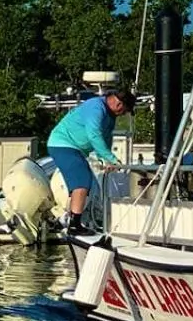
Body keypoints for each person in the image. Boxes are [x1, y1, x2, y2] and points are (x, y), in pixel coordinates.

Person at [47, 88, 136, 232]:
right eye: (125, 110)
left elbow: (106, 139)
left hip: (74, 149)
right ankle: (75, 225)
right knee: (82, 181)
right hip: (62, 144)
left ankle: (71, 220)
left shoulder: (110, 116)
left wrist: (105, 160)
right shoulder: (96, 107)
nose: (124, 114)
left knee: (85, 182)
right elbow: (94, 135)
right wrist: (112, 158)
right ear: (119, 104)